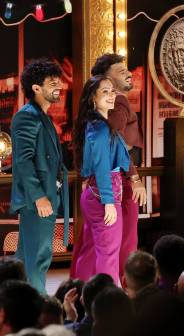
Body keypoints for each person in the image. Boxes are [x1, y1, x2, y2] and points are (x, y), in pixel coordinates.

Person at [71, 54, 146, 281]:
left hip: (102, 191)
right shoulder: (101, 127)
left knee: (96, 249)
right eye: (106, 91)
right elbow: (103, 167)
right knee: (109, 252)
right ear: (93, 98)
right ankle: (109, 300)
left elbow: (119, 154)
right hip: (105, 192)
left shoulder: (98, 124)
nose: (112, 95)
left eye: (112, 92)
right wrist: (109, 201)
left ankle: (84, 292)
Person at [10, 59, 69, 293]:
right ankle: (38, 305)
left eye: (59, 81)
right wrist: (39, 197)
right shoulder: (27, 116)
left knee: (25, 258)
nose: (59, 86)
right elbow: (23, 161)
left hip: (44, 197)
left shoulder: (42, 116)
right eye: (52, 83)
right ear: (36, 88)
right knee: (39, 257)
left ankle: (17, 303)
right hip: (38, 201)